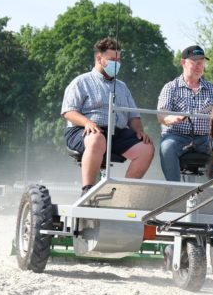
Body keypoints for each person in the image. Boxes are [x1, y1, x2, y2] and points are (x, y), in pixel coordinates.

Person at [61, 37, 153, 194]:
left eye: (119, 60)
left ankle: (125, 193)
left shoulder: (123, 87)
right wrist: (87, 122)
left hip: (115, 132)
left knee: (146, 148)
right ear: (99, 58)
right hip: (83, 130)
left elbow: (133, 116)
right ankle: (88, 190)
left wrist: (139, 130)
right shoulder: (81, 82)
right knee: (98, 138)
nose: (116, 64)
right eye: (112, 60)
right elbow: (68, 111)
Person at [156, 45, 213, 182]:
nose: (198, 66)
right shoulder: (170, 88)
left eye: (201, 63)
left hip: (205, 139)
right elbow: (162, 115)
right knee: (167, 148)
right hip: (177, 137)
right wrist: (173, 118)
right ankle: (174, 190)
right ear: (183, 63)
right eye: (194, 62)